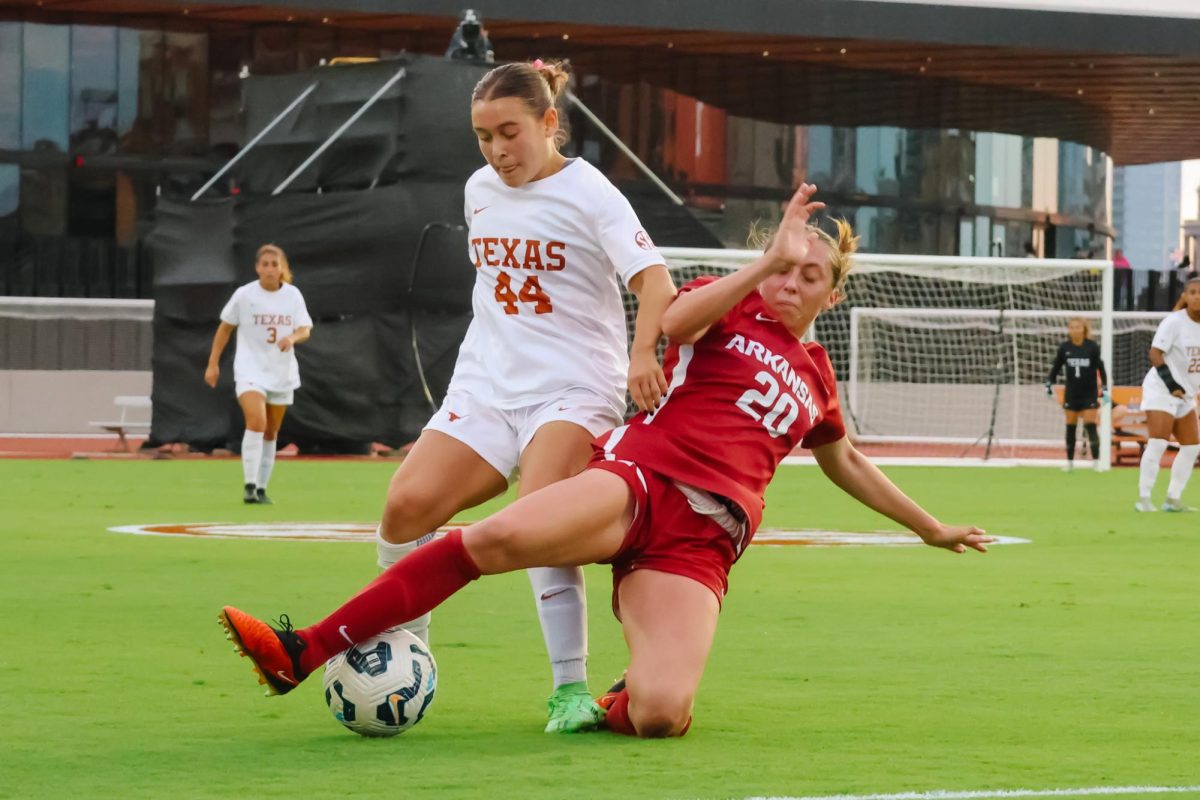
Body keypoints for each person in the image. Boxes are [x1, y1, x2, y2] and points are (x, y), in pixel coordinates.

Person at [218, 184, 993, 739]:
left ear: (832, 292)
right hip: (640, 484)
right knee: (489, 542)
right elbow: (674, 322)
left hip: (701, 547)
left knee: (663, 715)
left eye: (809, 275)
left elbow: (847, 462)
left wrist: (929, 527)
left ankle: (614, 695)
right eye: (785, 265)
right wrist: (761, 268)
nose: (792, 281)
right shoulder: (734, 304)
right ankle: (305, 649)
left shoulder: (818, 377)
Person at [365, 59, 676, 734]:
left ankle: (569, 690)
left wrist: (643, 353)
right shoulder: (478, 190)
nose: (498, 150)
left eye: (510, 132)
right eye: (483, 136)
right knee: (404, 506)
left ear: (548, 122)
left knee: (540, 515)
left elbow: (655, 282)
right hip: (487, 383)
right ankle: (407, 650)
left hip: (573, 387)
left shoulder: (591, 191)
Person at [205, 244, 312, 504]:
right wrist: (213, 363)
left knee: (271, 431)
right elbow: (225, 329)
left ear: (282, 268)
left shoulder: (293, 295)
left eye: (274, 264)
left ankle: (262, 487)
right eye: (264, 264)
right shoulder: (245, 295)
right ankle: (249, 486)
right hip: (249, 369)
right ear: (257, 268)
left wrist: (293, 337)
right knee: (256, 422)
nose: (269, 269)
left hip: (281, 371)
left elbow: (305, 328)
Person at [1135, 276, 1200, 512]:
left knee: (1192, 447)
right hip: (1162, 389)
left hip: (1185, 394)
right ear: (1185, 296)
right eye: (1192, 292)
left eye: (1199, 292)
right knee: (1158, 442)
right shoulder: (1174, 322)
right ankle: (1144, 499)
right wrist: (1172, 384)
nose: (1196, 296)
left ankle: (1172, 499)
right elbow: (1155, 354)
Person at [1045, 318, 1108, 470]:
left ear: (1083, 329)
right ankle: (1070, 463)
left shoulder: (1091, 347)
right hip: (1072, 393)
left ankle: (1096, 463)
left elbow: (1101, 367)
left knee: (1090, 426)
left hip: (1089, 393)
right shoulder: (1065, 348)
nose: (1074, 330)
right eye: (1071, 327)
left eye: (1077, 327)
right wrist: (1049, 383)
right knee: (1070, 427)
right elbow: (1056, 367)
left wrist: (1105, 389)